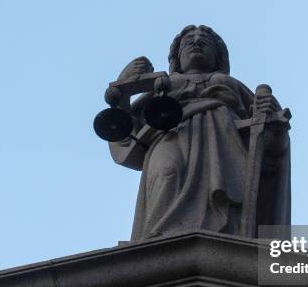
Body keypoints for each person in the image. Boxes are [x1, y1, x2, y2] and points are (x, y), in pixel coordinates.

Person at [107, 25, 290, 240]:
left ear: (218, 57)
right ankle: (158, 237)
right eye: (188, 42)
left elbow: (266, 134)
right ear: (177, 57)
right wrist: (123, 89)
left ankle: (224, 236)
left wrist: (269, 114)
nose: (196, 43)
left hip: (223, 139)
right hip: (170, 132)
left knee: (224, 186)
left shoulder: (230, 83)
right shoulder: (164, 84)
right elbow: (129, 129)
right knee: (167, 170)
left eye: (204, 41)